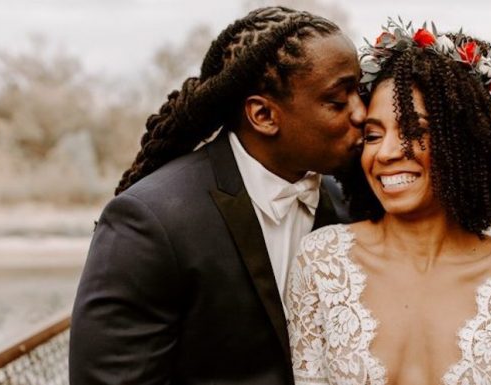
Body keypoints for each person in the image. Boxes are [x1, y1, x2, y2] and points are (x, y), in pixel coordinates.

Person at [69, 6, 365, 385]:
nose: (361, 113)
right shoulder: (150, 222)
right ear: (263, 115)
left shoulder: (351, 204)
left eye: (360, 91)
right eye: (338, 101)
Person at [286, 18, 491, 385]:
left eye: (415, 130)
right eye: (373, 135)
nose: (385, 153)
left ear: (466, 143)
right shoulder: (321, 260)